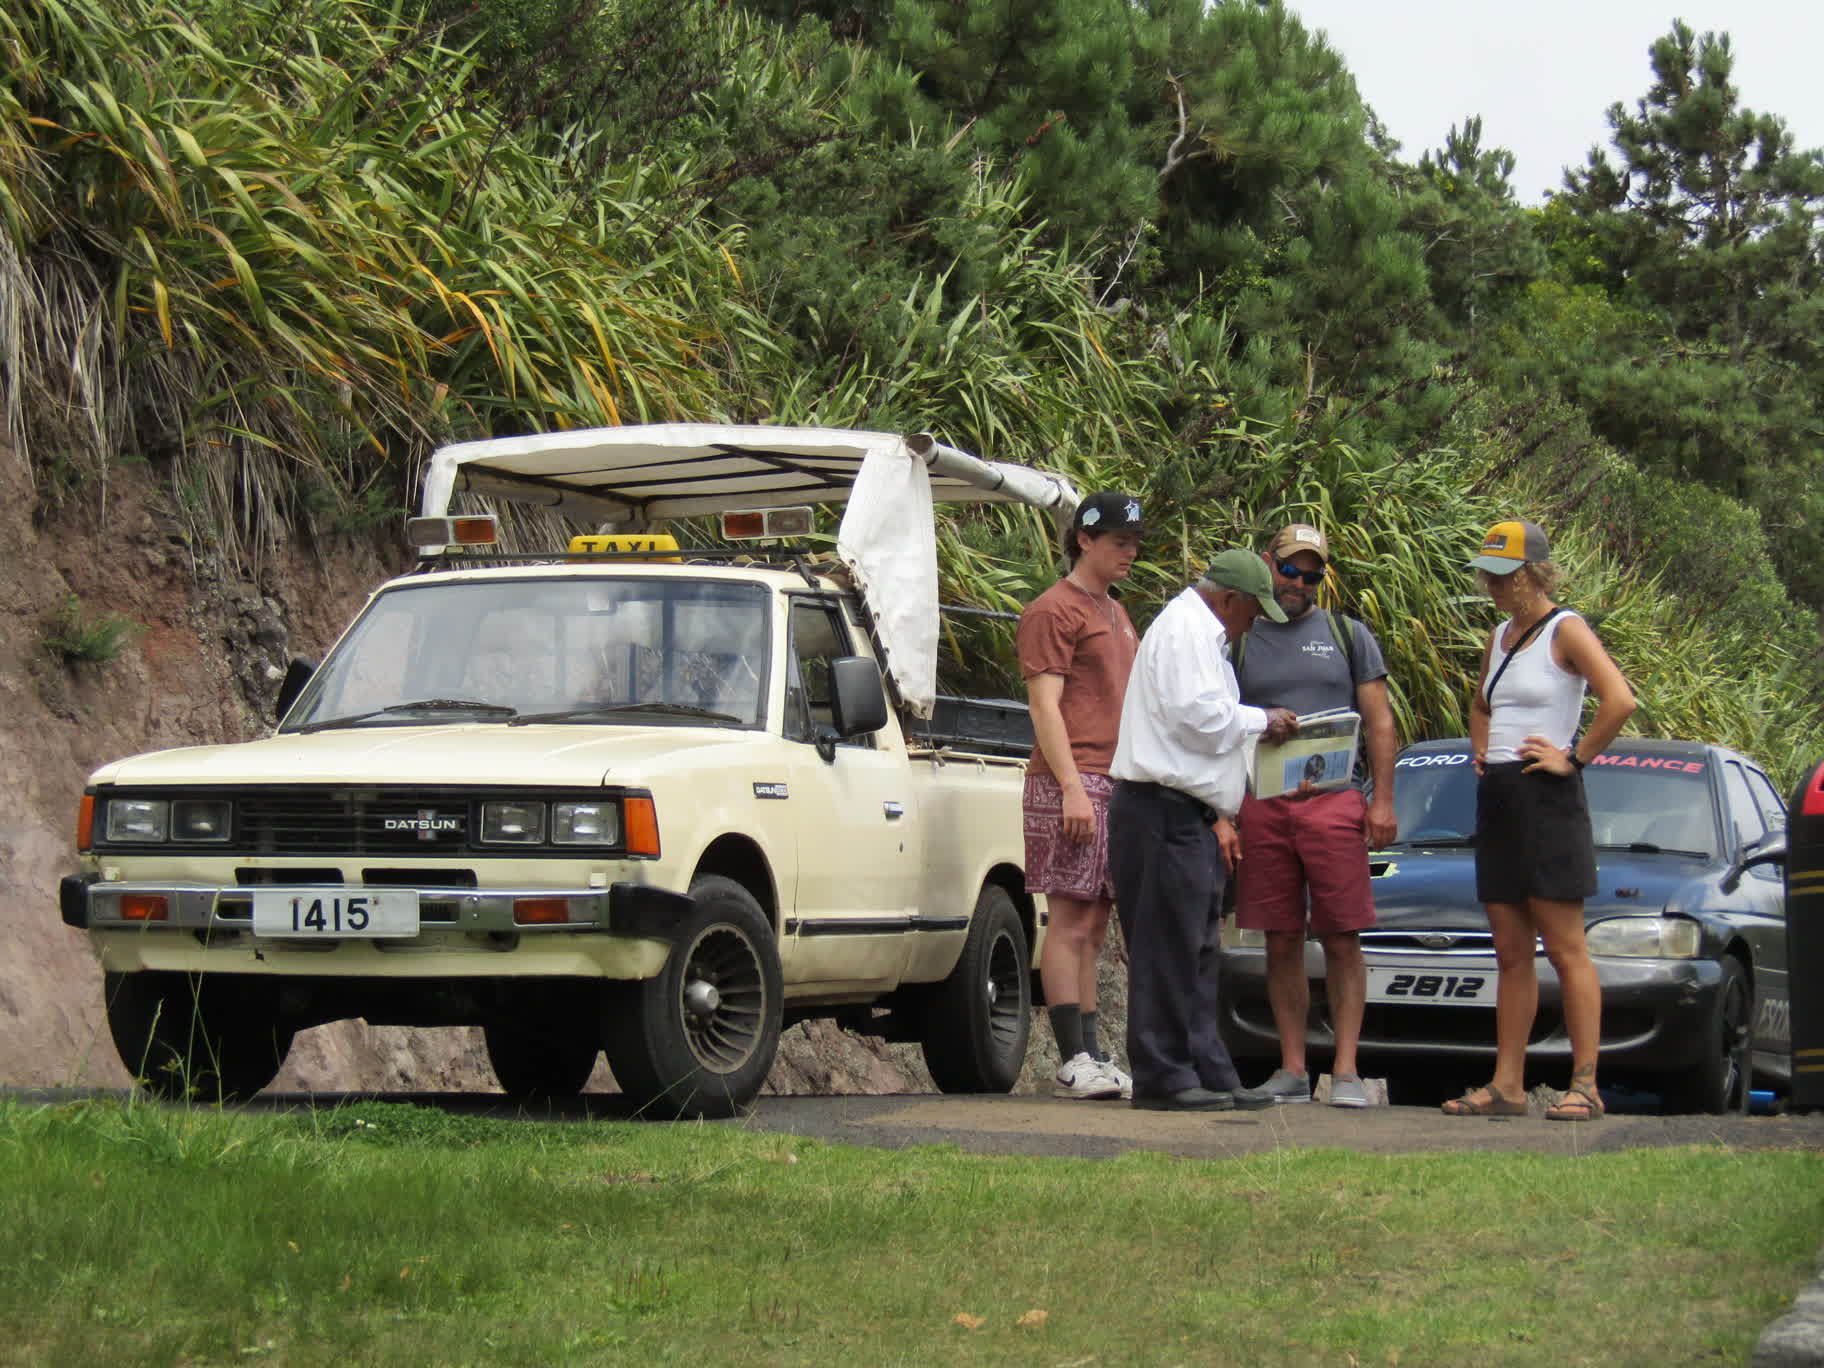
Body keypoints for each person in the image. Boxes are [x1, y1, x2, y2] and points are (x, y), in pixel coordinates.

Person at [1442, 520, 1636, 1121]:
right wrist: (1482, 749)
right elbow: (1481, 702)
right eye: (1490, 577)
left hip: (1546, 798)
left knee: (1565, 944)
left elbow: (1620, 698)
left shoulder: (1566, 629)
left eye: (1506, 577)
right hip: (1499, 796)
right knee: (1510, 950)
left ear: (1534, 575)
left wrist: (1571, 757)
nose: (1495, 588)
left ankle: (1585, 1082)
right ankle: (1507, 1084)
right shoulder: (1499, 635)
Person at [1108, 549, 1300, 1111]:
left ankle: (1208, 1068)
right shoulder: (1186, 630)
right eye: (1252, 610)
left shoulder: (1202, 635)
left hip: (1186, 814)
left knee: (1196, 949)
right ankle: (1164, 1075)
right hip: (1160, 810)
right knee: (1168, 948)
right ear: (1229, 599)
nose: (1254, 622)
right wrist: (1263, 719)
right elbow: (1200, 716)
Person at [1232, 523, 1398, 1109]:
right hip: (1265, 802)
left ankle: (1347, 1070)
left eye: (1312, 574)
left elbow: (1379, 720)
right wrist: (1225, 812)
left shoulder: (1347, 634)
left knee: (1342, 935)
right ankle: (1293, 1068)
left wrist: (1381, 799)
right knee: (1280, 936)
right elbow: (1218, 721)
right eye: (1289, 570)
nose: (1299, 582)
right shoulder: (1242, 635)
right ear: (1267, 565)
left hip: (1334, 802)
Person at [1017, 491, 1144, 1100]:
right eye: (1119, 540)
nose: (1130, 552)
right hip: (1072, 776)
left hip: (1116, 778)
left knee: (1094, 922)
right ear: (1085, 539)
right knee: (1068, 918)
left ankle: (1091, 1051)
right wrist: (1071, 787)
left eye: (1134, 542)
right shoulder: (1053, 610)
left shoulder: (1116, 612)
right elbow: (1044, 705)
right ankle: (1072, 1057)